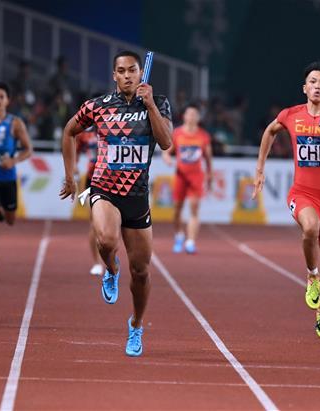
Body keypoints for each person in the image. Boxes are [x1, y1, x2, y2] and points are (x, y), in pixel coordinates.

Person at [60, 50, 173, 357]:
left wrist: (149, 104)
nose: (127, 75)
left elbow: (166, 143)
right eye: (121, 71)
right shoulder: (98, 106)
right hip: (104, 189)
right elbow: (69, 131)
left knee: (141, 271)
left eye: (132, 70)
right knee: (106, 240)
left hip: (137, 197)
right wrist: (70, 176)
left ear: (140, 73)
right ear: (114, 75)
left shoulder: (157, 102)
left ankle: (135, 324)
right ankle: (110, 268)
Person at [252, 61, 320, 339]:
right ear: (304, 88)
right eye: (313, 81)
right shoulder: (291, 114)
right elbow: (270, 132)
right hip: (303, 192)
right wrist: (260, 169)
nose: (318, 86)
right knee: (310, 228)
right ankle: (312, 275)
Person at [0, 81, 33, 274]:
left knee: (10, 220)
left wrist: (14, 160)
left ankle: (4, 211)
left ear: (8, 100)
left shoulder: (15, 123)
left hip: (8, 178)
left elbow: (28, 150)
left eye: (2, 97)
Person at [162, 103, 212, 254]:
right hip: (181, 176)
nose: (191, 117)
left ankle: (190, 241)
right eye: (189, 114)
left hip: (196, 176)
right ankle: (179, 235)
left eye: (194, 115)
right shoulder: (177, 133)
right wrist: (167, 158)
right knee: (177, 210)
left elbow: (208, 159)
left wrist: (210, 176)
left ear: (198, 118)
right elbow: (166, 151)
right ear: (184, 117)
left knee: (194, 209)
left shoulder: (203, 136)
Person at [75, 125, 104, 275]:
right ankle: (97, 262)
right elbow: (74, 145)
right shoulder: (85, 134)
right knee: (94, 222)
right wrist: (73, 165)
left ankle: (110, 259)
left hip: (116, 180)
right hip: (92, 180)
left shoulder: (117, 126)